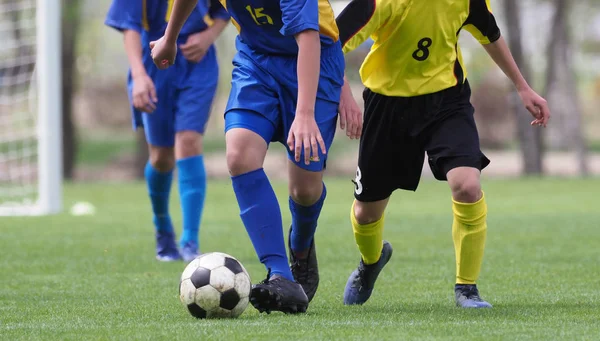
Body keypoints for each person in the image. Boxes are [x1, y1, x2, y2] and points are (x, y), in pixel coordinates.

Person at [149, 0, 362, 314]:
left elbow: (307, 37)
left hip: (312, 60)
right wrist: (169, 38)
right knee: (238, 155)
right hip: (256, 61)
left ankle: (300, 248)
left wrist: (304, 114)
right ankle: (281, 275)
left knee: (304, 189)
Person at [335, 0, 551, 308]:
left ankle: (467, 288)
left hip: (446, 100)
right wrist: (343, 93)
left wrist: (523, 87)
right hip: (388, 104)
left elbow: (489, 33)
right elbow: (329, 41)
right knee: (365, 212)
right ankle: (370, 262)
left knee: (468, 185)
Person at [105, 0, 230, 262]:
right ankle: (163, 228)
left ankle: (190, 241)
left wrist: (208, 37)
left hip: (197, 62)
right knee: (161, 157)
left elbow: (225, 9)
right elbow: (130, 25)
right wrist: (139, 76)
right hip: (153, 60)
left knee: (189, 141)